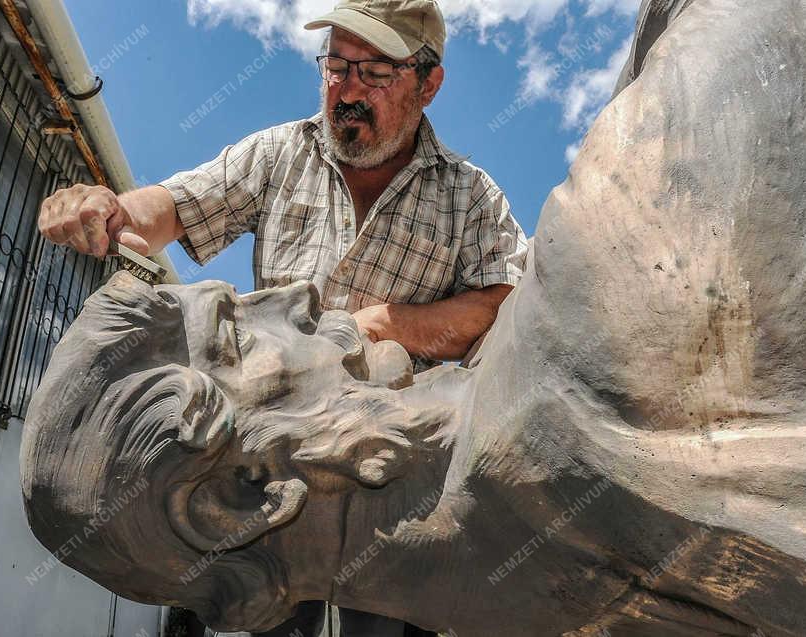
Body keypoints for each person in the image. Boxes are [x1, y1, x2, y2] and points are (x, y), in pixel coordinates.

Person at [36, 0, 527, 633]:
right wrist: (109, 211)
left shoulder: (471, 195)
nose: (345, 89)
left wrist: (386, 326)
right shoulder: (278, 154)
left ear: (428, 83)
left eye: (375, 72)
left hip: (399, 480)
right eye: (336, 64)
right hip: (272, 478)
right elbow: (178, 206)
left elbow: (500, 305)